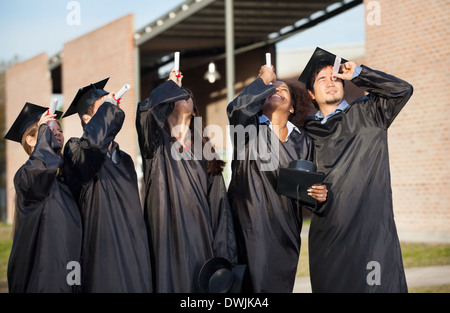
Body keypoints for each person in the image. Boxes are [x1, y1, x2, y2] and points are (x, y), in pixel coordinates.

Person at [299, 47, 414, 292]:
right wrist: (311, 195)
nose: (330, 82)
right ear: (311, 93)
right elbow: (299, 185)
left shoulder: (370, 112)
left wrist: (361, 73)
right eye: (322, 79)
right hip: (328, 236)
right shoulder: (305, 135)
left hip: (370, 233)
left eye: (334, 77)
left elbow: (403, 90)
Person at [226, 64, 328, 293]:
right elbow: (236, 108)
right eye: (271, 90)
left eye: (284, 90)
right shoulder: (248, 131)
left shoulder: (304, 141)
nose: (277, 90)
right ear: (261, 101)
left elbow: (305, 189)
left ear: (292, 107)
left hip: (286, 231)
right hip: (249, 227)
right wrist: (263, 81)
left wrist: (317, 193)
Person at [136, 69, 237, 293]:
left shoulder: (206, 151)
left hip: (203, 243)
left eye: (186, 94)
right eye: (176, 94)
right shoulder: (156, 145)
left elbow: (219, 209)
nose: (183, 96)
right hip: (166, 241)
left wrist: (223, 256)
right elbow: (145, 112)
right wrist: (169, 86)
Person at [62, 78, 152, 293]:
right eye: (104, 106)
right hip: (102, 260)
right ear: (87, 118)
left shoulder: (126, 160)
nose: (113, 105)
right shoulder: (75, 151)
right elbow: (92, 147)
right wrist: (109, 110)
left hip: (134, 255)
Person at [5, 102, 82, 293]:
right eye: (49, 130)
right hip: (48, 280)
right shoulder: (28, 176)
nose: (57, 134)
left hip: (71, 273)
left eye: (59, 130)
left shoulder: (62, 181)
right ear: (32, 140)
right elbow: (40, 166)